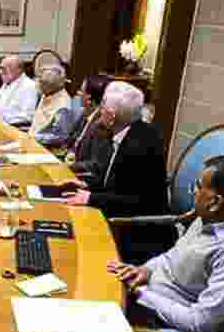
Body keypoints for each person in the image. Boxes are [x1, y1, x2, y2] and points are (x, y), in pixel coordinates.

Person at [108, 154, 224, 332]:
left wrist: (140, 293)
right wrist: (146, 270)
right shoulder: (213, 217)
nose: (193, 192)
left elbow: (199, 323)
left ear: (215, 202)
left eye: (198, 186)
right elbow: (171, 258)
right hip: (147, 297)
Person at [62, 81, 172, 264]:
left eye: (103, 105)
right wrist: (87, 185)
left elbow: (135, 202)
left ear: (112, 116)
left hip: (138, 234)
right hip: (121, 216)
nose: (100, 110)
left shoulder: (140, 146)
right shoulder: (127, 132)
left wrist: (91, 198)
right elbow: (114, 181)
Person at [67, 74, 114, 188]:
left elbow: (96, 164)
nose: (78, 93)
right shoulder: (85, 113)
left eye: (81, 91)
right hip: (71, 166)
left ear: (89, 98)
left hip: (83, 179)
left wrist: (72, 166)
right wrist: (70, 153)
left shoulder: (102, 125)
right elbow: (71, 138)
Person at [0, 55, 39, 126]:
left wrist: (0, 117)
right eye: (1, 68)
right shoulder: (8, 82)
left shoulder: (30, 86)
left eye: (6, 68)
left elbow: (27, 117)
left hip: (10, 127)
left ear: (19, 70)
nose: (1, 72)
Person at [30, 64, 76, 148]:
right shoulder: (48, 93)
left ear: (49, 86)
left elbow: (61, 137)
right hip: (31, 141)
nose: (37, 84)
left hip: (45, 148)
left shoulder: (63, 107)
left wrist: (35, 138)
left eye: (40, 82)